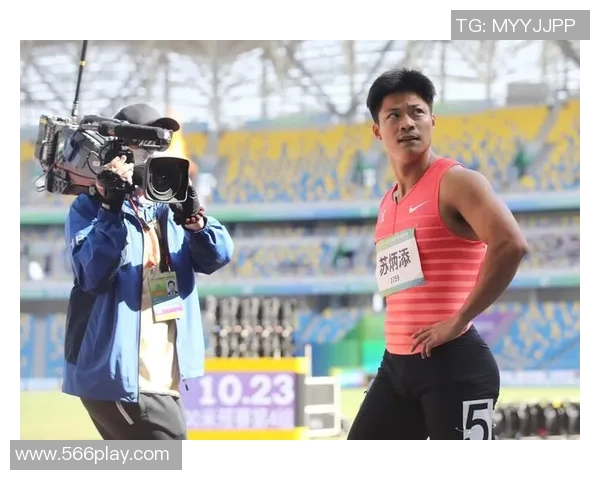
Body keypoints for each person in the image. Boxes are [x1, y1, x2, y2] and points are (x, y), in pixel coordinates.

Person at [347, 69, 529, 440]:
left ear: (432, 120)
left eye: (417, 112)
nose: (407, 123)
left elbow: (511, 244)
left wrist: (459, 319)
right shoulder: (387, 202)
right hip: (395, 367)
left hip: (454, 366)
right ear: (378, 131)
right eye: (394, 115)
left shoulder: (457, 182)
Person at [62, 103, 235, 440]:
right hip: (120, 376)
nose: (150, 156)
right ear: (118, 152)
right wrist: (111, 208)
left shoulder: (166, 205)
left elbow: (218, 256)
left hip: (162, 376)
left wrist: (196, 222)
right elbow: (92, 273)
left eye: (156, 147)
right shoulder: (89, 207)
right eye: (142, 146)